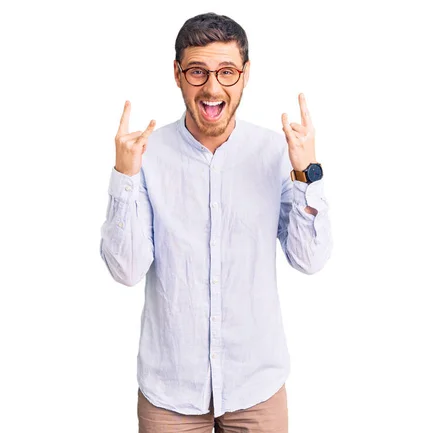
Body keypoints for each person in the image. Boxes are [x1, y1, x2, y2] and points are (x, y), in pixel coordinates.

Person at [99, 12, 333, 433]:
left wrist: (306, 171)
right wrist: (124, 177)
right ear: (177, 74)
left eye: (227, 72)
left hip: (255, 386)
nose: (212, 87)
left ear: (244, 76)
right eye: (197, 71)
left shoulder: (275, 152)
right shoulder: (146, 156)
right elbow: (126, 270)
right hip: (170, 392)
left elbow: (310, 259)